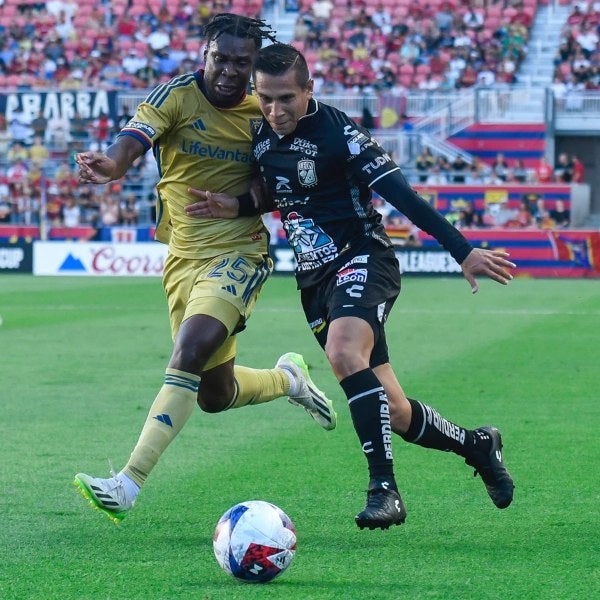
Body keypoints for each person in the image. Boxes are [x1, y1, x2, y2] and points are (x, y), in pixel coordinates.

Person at [187, 43, 516, 530]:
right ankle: (478, 446)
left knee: (343, 352)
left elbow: (402, 194)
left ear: (309, 91)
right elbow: (276, 193)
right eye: (266, 99)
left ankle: (384, 489)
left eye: (286, 99)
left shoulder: (340, 132)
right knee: (397, 412)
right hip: (314, 281)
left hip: (364, 257)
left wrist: (462, 250)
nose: (276, 111)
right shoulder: (259, 134)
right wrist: (233, 206)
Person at [72, 15, 337, 525]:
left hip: (239, 252)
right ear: (205, 55)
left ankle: (127, 483)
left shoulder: (266, 111)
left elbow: (274, 187)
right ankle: (289, 380)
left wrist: (235, 204)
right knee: (215, 394)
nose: (231, 72)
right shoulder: (176, 96)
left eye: (243, 63)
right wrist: (112, 164)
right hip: (182, 258)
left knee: (188, 352)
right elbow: (132, 140)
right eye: (222, 59)